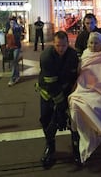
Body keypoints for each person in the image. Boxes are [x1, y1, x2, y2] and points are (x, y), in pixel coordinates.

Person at [68, 32, 101, 165]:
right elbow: (81, 73)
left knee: (97, 105)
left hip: (100, 90)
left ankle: (98, 135)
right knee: (75, 105)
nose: (93, 45)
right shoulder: (84, 54)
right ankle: (85, 138)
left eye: (96, 43)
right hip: (83, 89)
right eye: (91, 43)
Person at [35, 31, 79, 169]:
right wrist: (61, 105)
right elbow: (51, 84)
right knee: (47, 120)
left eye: (64, 45)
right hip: (48, 92)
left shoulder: (72, 55)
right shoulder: (46, 56)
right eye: (58, 45)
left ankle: (76, 148)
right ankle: (50, 147)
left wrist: (68, 99)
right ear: (53, 44)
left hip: (66, 91)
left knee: (74, 121)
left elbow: (73, 77)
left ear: (68, 44)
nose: (61, 49)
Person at [6, 19, 22, 86]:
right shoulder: (9, 29)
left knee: (14, 62)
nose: (11, 24)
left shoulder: (17, 29)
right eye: (10, 23)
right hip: (11, 48)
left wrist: (13, 32)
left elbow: (17, 38)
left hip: (16, 47)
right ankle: (17, 76)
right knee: (15, 62)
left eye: (13, 22)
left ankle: (13, 78)